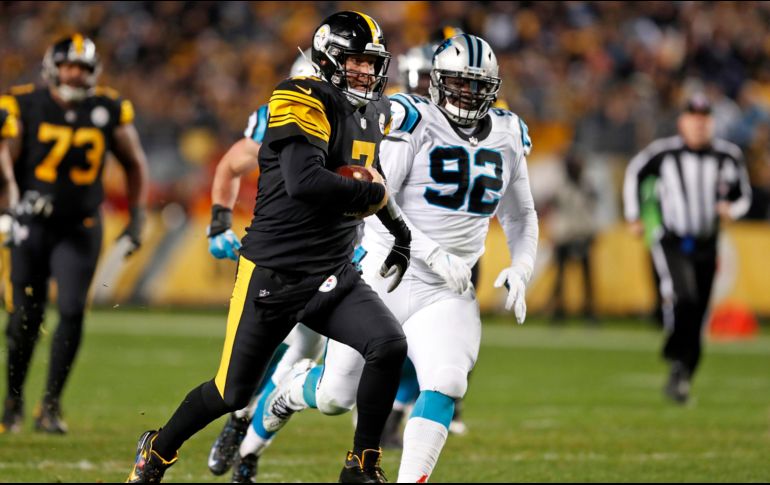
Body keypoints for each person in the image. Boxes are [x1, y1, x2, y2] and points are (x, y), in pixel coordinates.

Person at [127, 11, 412, 483]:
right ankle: (158, 448)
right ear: (328, 59)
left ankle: (361, 466)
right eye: (357, 61)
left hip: (333, 271)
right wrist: (373, 197)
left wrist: (399, 232)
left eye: (372, 62)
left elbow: (371, 181)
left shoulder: (371, 112)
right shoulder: (299, 96)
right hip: (274, 272)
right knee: (231, 392)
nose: (367, 72)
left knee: (387, 344)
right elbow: (305, 182)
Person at [259, 34, 539, 482]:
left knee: (447, 381)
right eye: (458, 83)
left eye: (475, 85)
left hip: (448, 290)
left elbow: (521, 214)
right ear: (437, 82)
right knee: (335, 397)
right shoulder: (412, 119)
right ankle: (293, 389)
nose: (466, 94)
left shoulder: (508, 133)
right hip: (385, 273)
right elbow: (376, 201)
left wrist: (522, 267)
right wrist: (432, 252)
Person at [0, 34, 149, 434]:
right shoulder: (23, 103)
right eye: (69, 65)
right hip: (30, 225)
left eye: (83, 68)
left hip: (80, 226)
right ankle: (12, 400)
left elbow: (135, 163)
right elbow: (5, 162)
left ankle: (50, 406)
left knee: (70, 311)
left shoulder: (107, 107)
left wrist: (137, 215)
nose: (75, 74)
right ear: (53, 66)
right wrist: (11, 207)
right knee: (24, 318)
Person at [204, 49, 328, 480]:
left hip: (331, 259)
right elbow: (233, 162)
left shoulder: (360, 121)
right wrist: (220, 220)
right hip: (278, 256)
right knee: (257, 355)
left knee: (302, 359)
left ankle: (248, 440)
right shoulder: (275, 122)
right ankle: (238, 419)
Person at [623, 93, 752, 404]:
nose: (699, 125)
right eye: (693, 118)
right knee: (685, 297)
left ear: (712, 123)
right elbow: (634, 173)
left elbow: (743, 195)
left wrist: (731, 211)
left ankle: (682, 374)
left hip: (707, 243)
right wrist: (634, 215)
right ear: (682, 122)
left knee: (699, 312)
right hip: (673, 240)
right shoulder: (664, 153)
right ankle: (673, 351)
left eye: (704, 119)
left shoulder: (728, 155)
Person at [548, 151, 598, 322]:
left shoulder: (586, 186)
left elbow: (591, 209)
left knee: (586, 276)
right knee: (561, 276)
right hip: (566, 235)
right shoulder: (562, 187)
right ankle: (559, 309)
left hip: (581, 233)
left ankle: (589, 309)